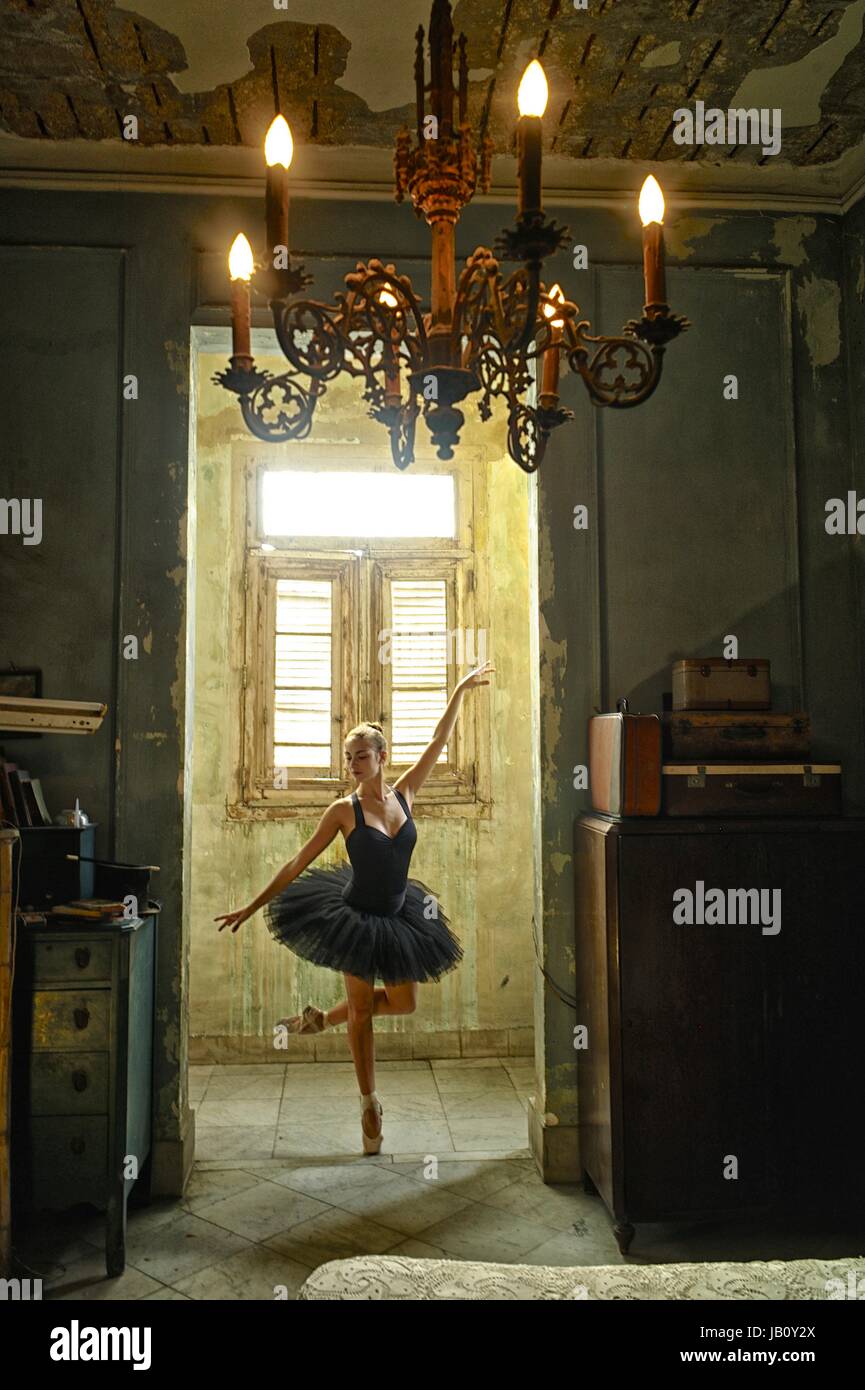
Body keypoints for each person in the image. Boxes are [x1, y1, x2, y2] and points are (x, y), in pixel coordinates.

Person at [215, 659, 495, 1155]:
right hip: (354, 918)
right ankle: (369, 1103)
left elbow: (437, 743)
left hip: (400, 915)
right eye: (349, 758)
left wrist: (459, 690)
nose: (353, 765)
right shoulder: (342, 811)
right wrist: (250, 906)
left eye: (361, 756)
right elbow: (297, 863)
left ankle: (322, 1018)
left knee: (404, 1003)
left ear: (382, 756)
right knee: (364, 1012)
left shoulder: (405, 794)